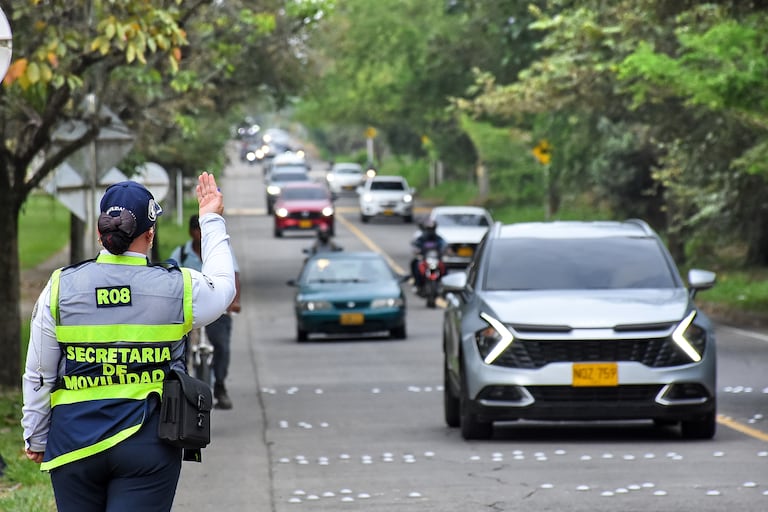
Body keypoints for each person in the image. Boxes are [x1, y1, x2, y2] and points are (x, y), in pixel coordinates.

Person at [21, 173, 236, 512]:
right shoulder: (179, 288)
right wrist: (210, 219)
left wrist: (35, 435)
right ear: (150, 234)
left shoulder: (60, 287)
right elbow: (223, 288)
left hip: (73, 443)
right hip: (148, 444)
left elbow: (39, 372)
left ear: (100, 233)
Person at [169, 214, 241, 409]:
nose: (200, 234)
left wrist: (234, 302)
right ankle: (181, 387)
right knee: (180, 349)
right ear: (191, 231)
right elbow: (170, 278)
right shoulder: (181, 253)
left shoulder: (219, 251)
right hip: (189, 310)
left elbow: (233, 275)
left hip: (217, 307)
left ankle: (220, 387)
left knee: (222, 346)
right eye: (197, 230)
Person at [410, 219, 446, 292]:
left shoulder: (438, 238)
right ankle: (417, 283)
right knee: (414, 264)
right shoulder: (421, 238)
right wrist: (417, 250)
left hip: (436, 259)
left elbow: (443, 245)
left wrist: (445, 250)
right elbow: (415, 244)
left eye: (432, 229)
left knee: (445, 267)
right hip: (424, 259)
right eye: (429, 229)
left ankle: (444, 284)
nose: (430, 231)